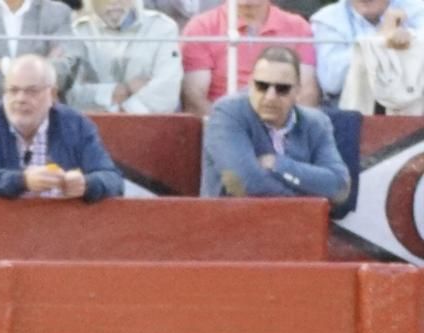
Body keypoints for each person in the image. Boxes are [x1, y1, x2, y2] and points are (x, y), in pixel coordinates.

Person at [202, 47, 350, 201]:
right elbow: (245, 183)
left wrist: (279, 165)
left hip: (298, 223)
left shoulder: (316, 123)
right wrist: (308, 201)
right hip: (231, 221)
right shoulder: (227, 113)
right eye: (262, 86)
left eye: (282, 89)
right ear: (250, 84)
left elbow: (339, 186)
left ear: (298, 91)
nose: (270, 96)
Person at [0, 53, 124, 200]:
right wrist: (23, 181)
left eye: (32, 91)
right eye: (13, 90)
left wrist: (86, 183)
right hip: (5, 223)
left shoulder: (76, 124)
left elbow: (112, 179)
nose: (20, 99)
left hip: (68, 222)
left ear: (53, 94)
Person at [180, 0, 317, 115]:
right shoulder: (200, 27)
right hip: (222, 125)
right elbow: (194, 99)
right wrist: (229, 126)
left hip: (283, 127)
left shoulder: (298, 27)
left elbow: (307, 93)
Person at [68, 0, 183, 114]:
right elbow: (69, 94)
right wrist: (122, 90)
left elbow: (167, 90)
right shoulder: (76, 32)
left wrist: (123, 111)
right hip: (91, 125)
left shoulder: (162, 28)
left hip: (149, 126)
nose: (114, 2)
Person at [312, 0, 424, 104]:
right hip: (354, 110)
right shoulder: (327, 18)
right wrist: (379, 39)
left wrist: (410, 40)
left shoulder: (418, 9)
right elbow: (332, 82)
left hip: (415, 104)